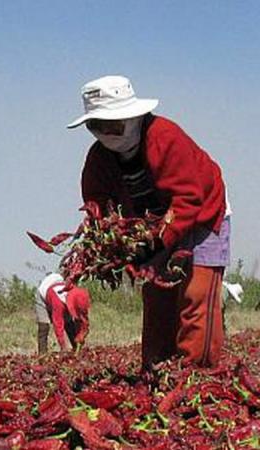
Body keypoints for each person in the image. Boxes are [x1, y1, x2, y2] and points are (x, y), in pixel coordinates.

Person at [69, 75, 230, 370]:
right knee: (157, 297)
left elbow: (188, 199)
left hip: (204, 216)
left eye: (112, 124)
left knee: (196, 296)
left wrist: (157, 242)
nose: (105, 132)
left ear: (133, 117)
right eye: (96, 126)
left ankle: (197, 375)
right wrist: (110, 245)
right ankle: (157, 373)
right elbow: (96, 205)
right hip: (153, 226)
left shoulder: (165, 137)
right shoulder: (99, 159)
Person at [35, 273, 90, 354]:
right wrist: (63, 346)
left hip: (56, 287)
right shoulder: (59, 302)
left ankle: (76, 349)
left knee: (69, 324)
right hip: (43, 294)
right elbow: (58, 325)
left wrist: (81, 335)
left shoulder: (76, 295)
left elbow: (83, 321)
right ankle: (42, 354)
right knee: (44, 327)